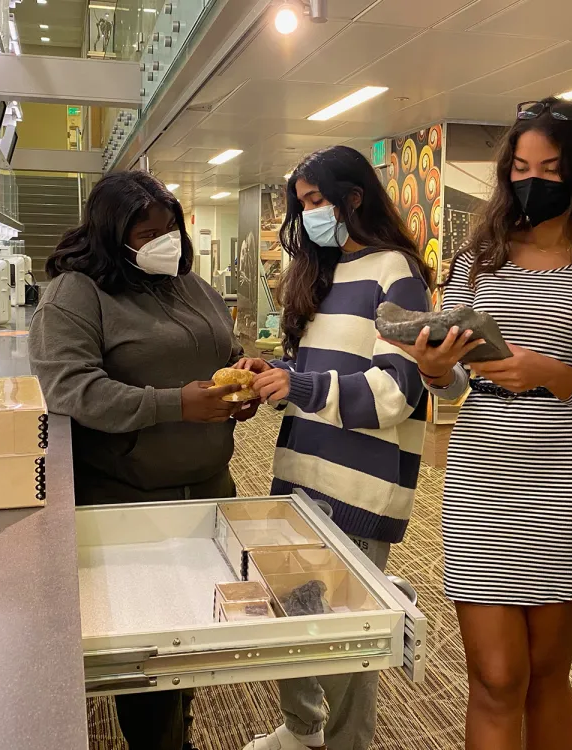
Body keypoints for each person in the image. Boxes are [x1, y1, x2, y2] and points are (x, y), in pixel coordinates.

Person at [386, 98, 572, 749]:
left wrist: (557, 376)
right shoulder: (480, 260)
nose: (532, 180)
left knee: (546, 675)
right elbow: (460, 375)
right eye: (521, 166)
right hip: (482, 476)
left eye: (550, 168)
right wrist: (437, 372)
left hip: (570, 481)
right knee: (495, 677)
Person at [29, 171, 257, 750]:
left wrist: (241, 383)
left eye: (170, 228)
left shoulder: (191, 287)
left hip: (207, 488)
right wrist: (174, 405)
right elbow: (71, 389)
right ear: (111, 235)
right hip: (128, 501)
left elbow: (221, 352)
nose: (165, 241)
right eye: (147, 232)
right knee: (150, 660)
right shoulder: (75, 295)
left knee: (197, 639)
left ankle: (180, 730)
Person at [235, 145, 432, 750]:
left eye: (318, 200)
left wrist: (299, 383)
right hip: (301, 471)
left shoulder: (395, 272)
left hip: (360, 482)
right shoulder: (319, 273)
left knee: (349, 638)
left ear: (354, 197)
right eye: (303, 205)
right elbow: (318, 366)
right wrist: (274, 371)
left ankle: (347, 742)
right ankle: (302, 729)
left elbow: (396, 389)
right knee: (294, 612)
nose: (311, 214)